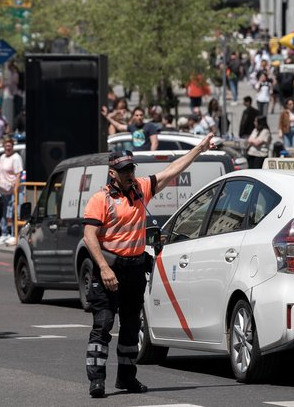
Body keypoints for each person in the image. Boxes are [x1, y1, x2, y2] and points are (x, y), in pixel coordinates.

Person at [83, 134, 216, 398]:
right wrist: (104, 268)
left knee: (132, 326)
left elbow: (171, 171)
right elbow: (89, 237)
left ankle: (126, 378)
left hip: (134, 268)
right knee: (104, 323)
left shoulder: (142, 189)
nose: (130, 174)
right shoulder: (101, 199)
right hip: (110, 268)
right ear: (112, 173)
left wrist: (199, 149)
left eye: (131, 169)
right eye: (124, 171)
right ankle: (97, 381)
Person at [0, 137, 23, 246]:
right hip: (2, 189)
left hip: (11, 190)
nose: (8, 148)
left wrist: (16, 188)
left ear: (12, 147)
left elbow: (18, 174)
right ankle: (4, 233)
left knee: (13, 212)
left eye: (9, 146)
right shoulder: (2, 157)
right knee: (3, 213)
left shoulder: (16, 158)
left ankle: (13, 234)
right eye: (6, 146)